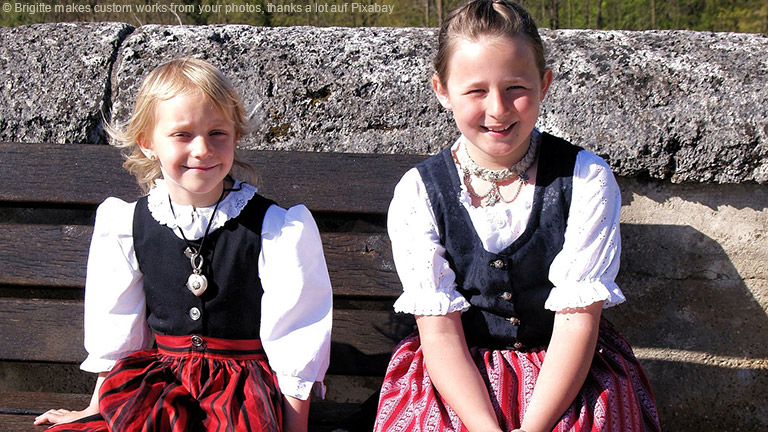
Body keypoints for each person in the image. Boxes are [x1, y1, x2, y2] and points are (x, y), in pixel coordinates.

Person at [373, 1, 661, 431]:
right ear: (442, 90)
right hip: (457, 376)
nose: (498, 109)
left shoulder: (585, 178)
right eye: (475, 91)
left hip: (566, 374)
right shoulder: (419, 191)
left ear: (544, 84)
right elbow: (440, 332)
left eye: (515, 88)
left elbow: (577, 323)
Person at [34, 57, 332, 432]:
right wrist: (96, 409)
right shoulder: (128, 224)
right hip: (160, 389)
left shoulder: (275, 228)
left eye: (217, 133)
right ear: (147, 143)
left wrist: (294, 428)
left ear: (235, 136)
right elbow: (118, 331)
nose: (202, 149)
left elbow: (296, 338)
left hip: (240, 394)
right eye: (182, 135)